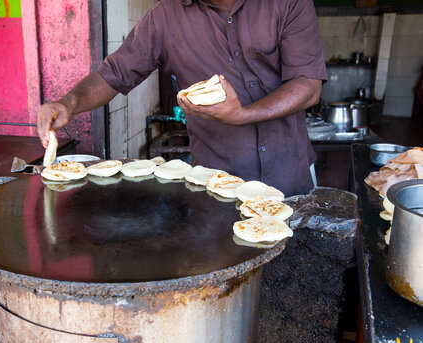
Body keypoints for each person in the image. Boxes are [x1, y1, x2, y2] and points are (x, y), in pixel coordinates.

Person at [37, 0, 327, 196]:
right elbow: (112, 74)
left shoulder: (288, 3)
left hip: (290, 176)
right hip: (215, 187)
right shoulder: (165, 17)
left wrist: (244, 115)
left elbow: (308, 85)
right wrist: (69, 102)